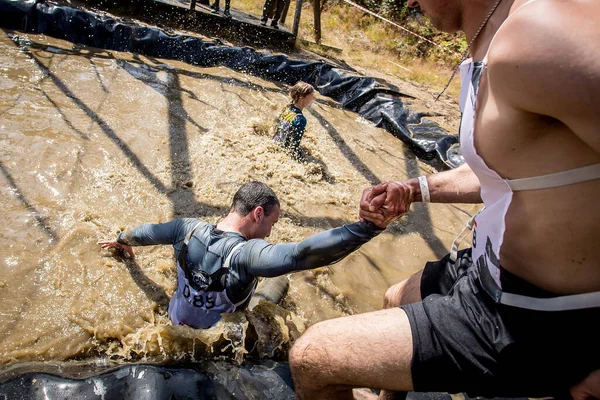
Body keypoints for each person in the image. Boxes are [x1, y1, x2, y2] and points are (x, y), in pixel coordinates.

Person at [288, 0, 600, 398]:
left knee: (314, 358)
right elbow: (505, 167)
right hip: (488, 268)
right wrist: (413, 189)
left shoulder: (543, 30)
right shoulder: (500, 38)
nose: (410, 3)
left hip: (535, 317)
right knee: (394, 296)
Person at [98, 181, 382, 329]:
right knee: (281, 283)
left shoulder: (185, 228)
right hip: (217, 342)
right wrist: (368, 227)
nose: (270, 233)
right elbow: (302, 254)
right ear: (258, 214)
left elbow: (146, 233)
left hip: (175, 322)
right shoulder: (246, 255)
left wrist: (121, 240)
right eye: (272, 223)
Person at [272, 81, 315, 161]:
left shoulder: (287, 108)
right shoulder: (301, 120)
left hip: (275, 142)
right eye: (311, 95)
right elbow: (293, 147)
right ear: (302, 97)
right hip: (283, 152)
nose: (313, 98)